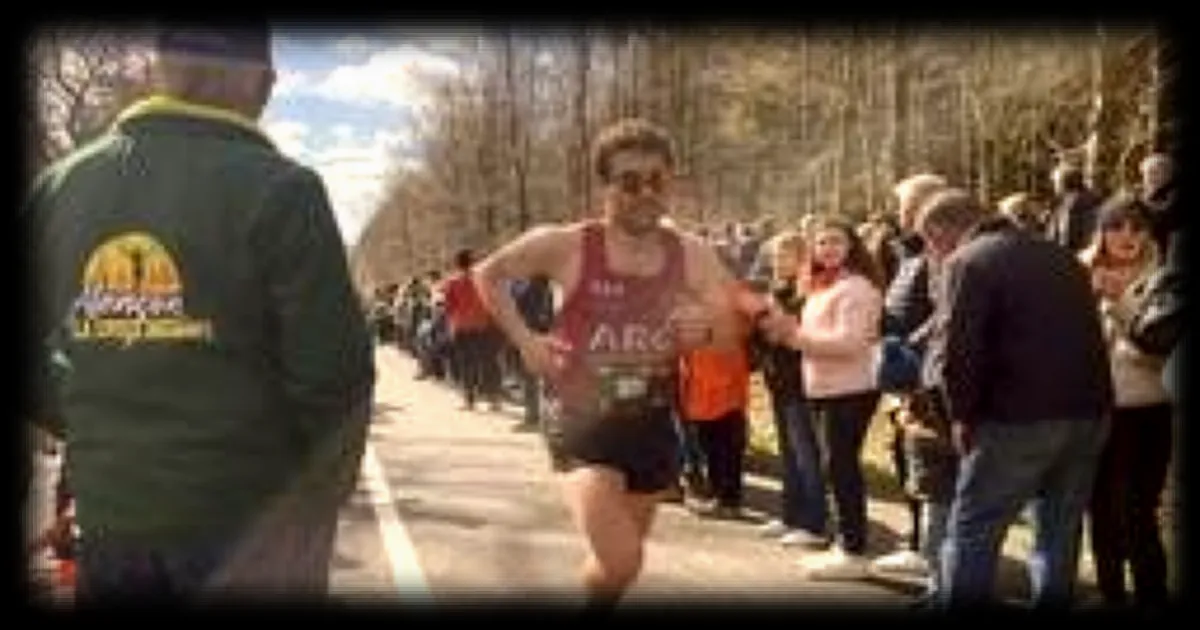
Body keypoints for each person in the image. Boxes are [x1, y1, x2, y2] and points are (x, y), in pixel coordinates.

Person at [21, 25, 375, 600]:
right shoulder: (285, 191)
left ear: (158, 68)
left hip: (112, 526)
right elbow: (334, 378)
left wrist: (92, 424)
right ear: (263, 82)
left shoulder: (60, 188)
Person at [472, 117, 766, 611]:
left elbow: (731, 326)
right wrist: (526, 340)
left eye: (657, 180)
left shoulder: (691, 253)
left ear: (670, 181)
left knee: (619, 567)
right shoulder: (567, 244)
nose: (644, 192)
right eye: (629, 181)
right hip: (580, 419)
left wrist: (707, 330)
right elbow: (488, 274)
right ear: (605, 187)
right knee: (622, 557)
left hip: (651, 421)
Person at [918, 189, 1113, 610]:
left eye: (927, 242)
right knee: (1059, 530)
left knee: (974, 528)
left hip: (1016, 418)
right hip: (1088, 412)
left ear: (940, 232)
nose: (929, 253)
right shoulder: (1062, 256)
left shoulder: (967, 262)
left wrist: (960, 416)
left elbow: (958, 351)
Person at [760, 216, 886, 580]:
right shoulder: (820, 285)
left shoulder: (857, 288)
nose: (828, 249)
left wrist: (793, 337)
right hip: (824, 387)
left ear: (851, 247)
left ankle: (853, 550)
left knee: (840, 467)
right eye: (821, 243)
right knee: (835, 466)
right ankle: (844, 545)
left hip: (851, 388)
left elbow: (849, 343)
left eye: (836, 242)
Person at [1079, 193, 1173, 609]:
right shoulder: (1080, 272)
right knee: (1098, 508)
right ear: (1101, 232)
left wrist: (1117, 304)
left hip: (1146, 411)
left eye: (1137, 226)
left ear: (1150, 232)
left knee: (1137, 513)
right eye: (1116, 225)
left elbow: (1152, 352)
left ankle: (1151, 594)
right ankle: (1110, 592)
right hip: (1093, 412)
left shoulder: (1165, 279)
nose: (1127, 235)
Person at [749, 230, 828, 549]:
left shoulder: (809, 293)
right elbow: (763, 337)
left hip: (801, 383)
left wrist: (773, 322)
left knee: (806, 454)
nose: (778, 262)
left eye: (786, 255)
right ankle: (791, 516)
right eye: (775, 256)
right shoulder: (777, 290)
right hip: (777, 381)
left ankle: (815, 523)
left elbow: (793, 335)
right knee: (788, 453)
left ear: (803, 258)